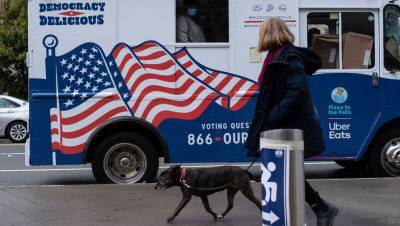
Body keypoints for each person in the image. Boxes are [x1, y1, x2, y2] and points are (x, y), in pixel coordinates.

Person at [245, 18, 339, 226]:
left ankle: (320, 209)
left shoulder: (289, 56)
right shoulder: (276, 56)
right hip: (282, 126)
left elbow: (297, 90)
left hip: (288, 127)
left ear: (268, 34)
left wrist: (273, 116)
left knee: (284, 170)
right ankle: (321, 208)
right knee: (282, 171)